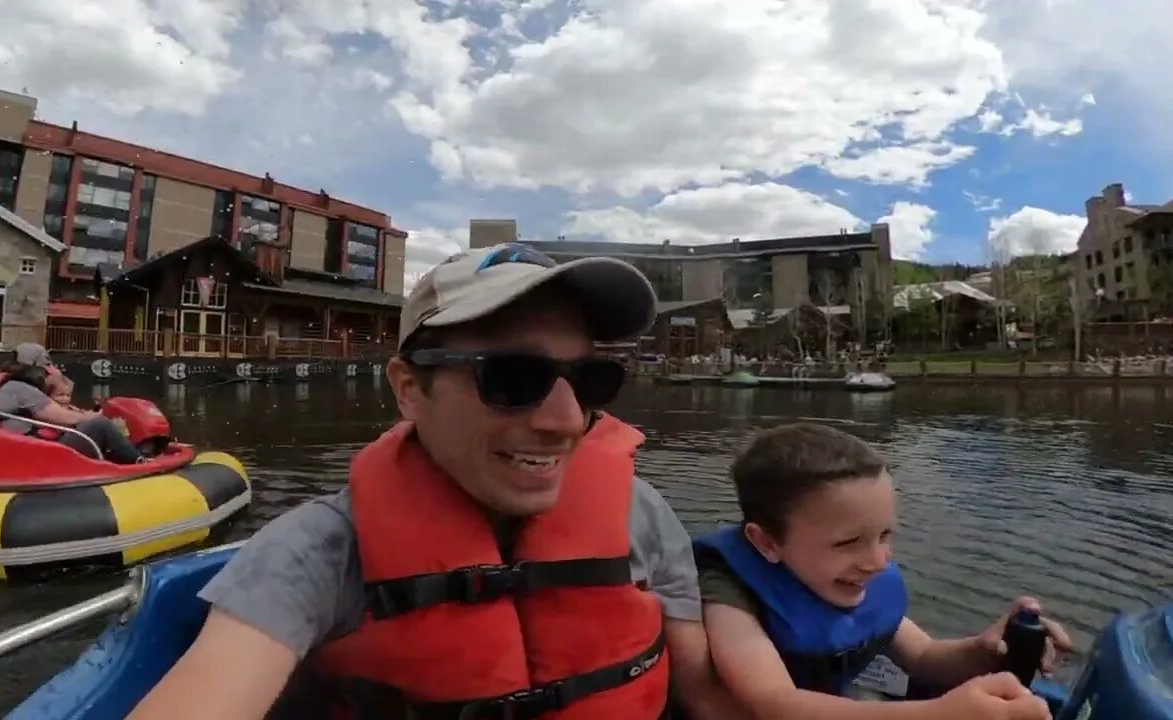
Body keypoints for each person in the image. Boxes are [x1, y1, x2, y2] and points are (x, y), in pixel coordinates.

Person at [127, 243, 743, 719]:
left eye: (590, 382)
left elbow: (705, 697)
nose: (567, 422)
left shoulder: (641, 512)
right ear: (410, 389)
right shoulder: (318, 553)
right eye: (512, 379)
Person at [695, 423, 1073, 720]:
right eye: (848, 543)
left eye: (885, 535)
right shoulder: (728, 595)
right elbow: (775, 704)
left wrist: (987, 648)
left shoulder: (851, 579)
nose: (878, 561)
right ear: (767, 543)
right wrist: (933, 716)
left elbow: (924, 657)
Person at [0, 343, 144, 465]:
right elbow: (65, 418)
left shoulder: (8, 385)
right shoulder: (21, 389)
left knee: (94, 425)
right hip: (36, 455)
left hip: (25, 448)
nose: (47, 376)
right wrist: (90, 416)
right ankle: (139, 463)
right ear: (34, 369)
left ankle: (123, 457)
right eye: (45, 371)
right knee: (100, 425)